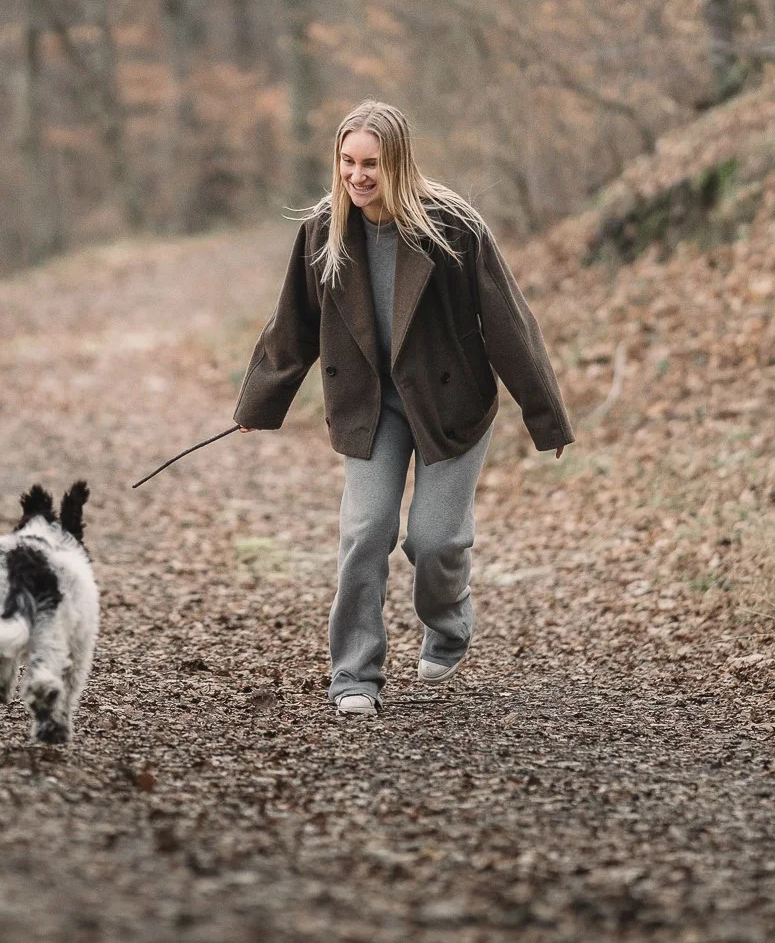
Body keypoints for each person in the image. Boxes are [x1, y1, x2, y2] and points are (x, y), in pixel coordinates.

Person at [233, 100, 574, 715]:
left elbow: (508, 324)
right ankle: (355, 672)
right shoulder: (323, 232)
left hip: (451, 405)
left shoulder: (452, 228)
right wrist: (261, 401)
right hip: (371, 408)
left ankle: (447, 622)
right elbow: (292, 325)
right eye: (347, 162)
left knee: (435, 541)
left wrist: (543, 413)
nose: (358, 177)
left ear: (399, 164)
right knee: (366, 533)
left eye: (372, 164)